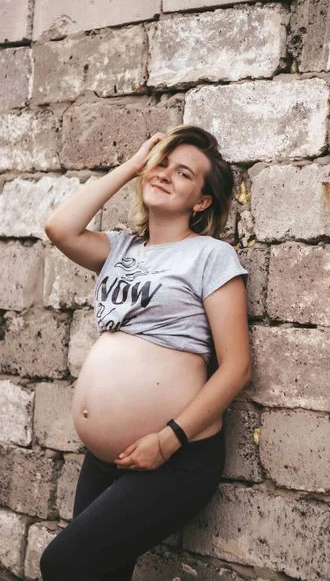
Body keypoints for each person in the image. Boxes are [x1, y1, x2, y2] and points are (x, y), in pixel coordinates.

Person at [40, 124, 251, 581]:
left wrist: (168, 438)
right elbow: (59, 226)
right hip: (106, 460)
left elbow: (236, 367)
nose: (165, 175)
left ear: (202, 201)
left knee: (64, 563)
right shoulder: (118, 248)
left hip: (174, 457)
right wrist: (134, 165)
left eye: (184, 174)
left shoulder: (210, 256)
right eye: (162, 165)